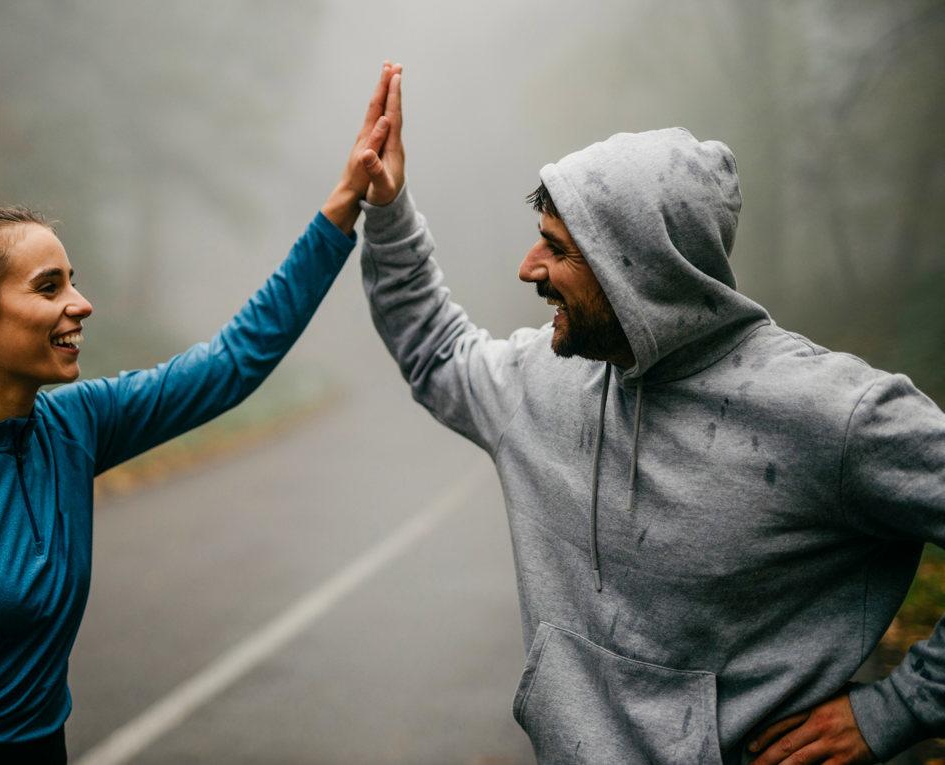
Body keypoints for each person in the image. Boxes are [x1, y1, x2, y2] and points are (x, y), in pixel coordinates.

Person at [0, 64, 404, 764]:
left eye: (73, 282)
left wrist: (344, 206)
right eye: (50, 287)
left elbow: (231, 362)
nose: (79, 304)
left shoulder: (72, 427)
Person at [356, 73, 945, 764]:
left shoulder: (832, 415)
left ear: (638, 273)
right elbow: (435, 349)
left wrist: (896, 707)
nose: (528, 267)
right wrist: (389, 207)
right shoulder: (541, 384)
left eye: (557, 248)